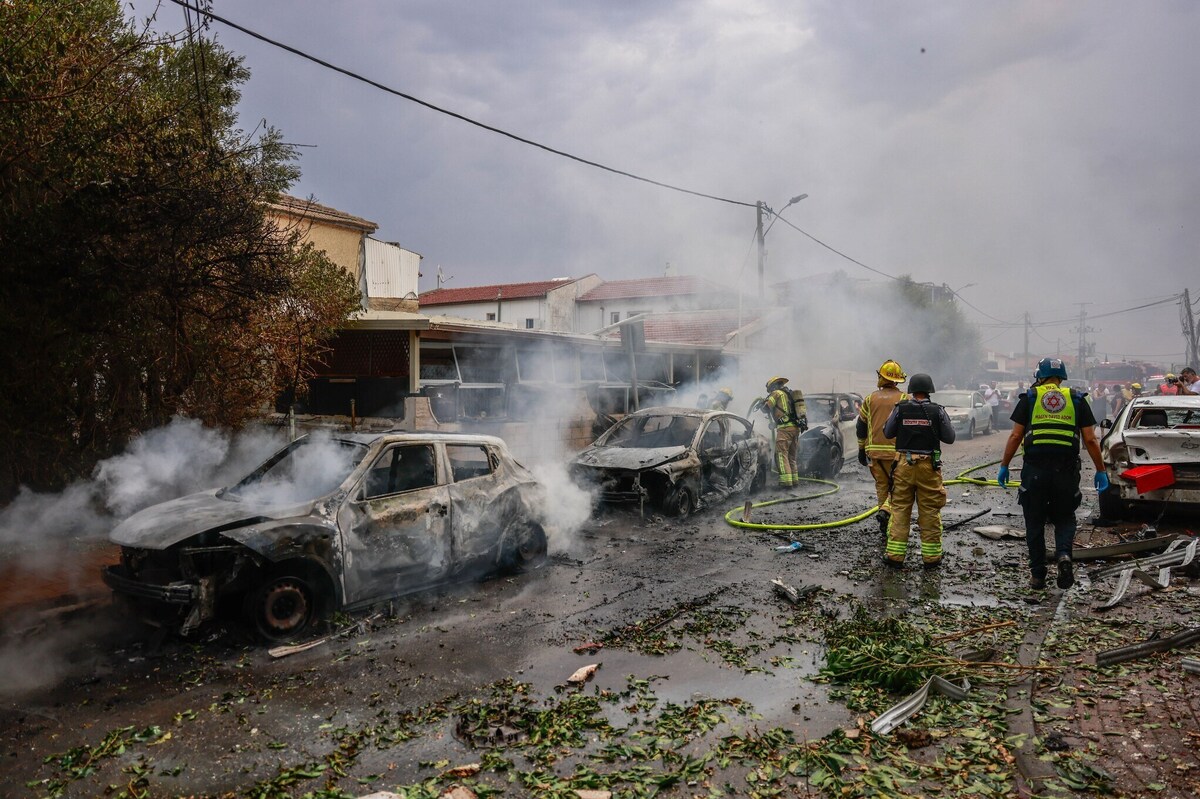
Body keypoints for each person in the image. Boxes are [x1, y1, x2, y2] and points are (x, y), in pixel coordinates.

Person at [997, 358, 1107, 591]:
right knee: (1065, 517)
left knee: (1034, 522)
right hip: (1066, 470)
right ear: (1062, 377)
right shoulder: (1077, 399)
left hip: (1035, 470)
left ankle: (1038, 576)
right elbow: (1090, 439)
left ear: (1039, 375)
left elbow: (1016, 436)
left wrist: (1004, 465)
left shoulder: (1030, 398)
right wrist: (1101, 470)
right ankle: (1064, 556)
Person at [881, 373, 956, 568]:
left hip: (903, 466)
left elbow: (888, 432)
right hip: (929, 466)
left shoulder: (900, 409)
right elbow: (949, 437)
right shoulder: (937, 411)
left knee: (899, 509)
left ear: (911, 390)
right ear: (930, 390)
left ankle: (895, 556)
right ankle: (931, 558)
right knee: (930, 510)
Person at [856, 359, 907, 538]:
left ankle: (884, 524)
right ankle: (889, 515)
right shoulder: (904, 398)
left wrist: (861, 450)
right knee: (899, 488)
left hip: (874, 453)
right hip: (897, 454)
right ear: (897, 380)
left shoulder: (870, 399)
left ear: (881, 377)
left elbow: (861, 426)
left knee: (882, 487)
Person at [765, 376, 802, 487]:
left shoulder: (776, 393)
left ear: (773, 386)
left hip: (785, 429)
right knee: (791, 456)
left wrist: (763, 403)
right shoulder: (789, 394)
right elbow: (786, 414)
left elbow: (767, 407)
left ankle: (786, 483)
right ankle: (794, 481)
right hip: (795, 429)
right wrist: (775, 424)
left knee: (781, 455)